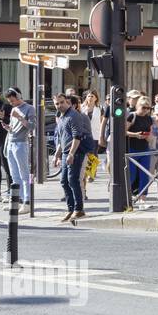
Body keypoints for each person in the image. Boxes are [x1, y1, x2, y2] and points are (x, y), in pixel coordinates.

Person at [54, 93, 96, 221]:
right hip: (66, 152)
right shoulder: (61, 117)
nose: (59, 105)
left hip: (76, 152)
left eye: (62, 102)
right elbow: (62, 138)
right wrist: (57, 154)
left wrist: (71, 153)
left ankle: (79, 209)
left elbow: (76, 136)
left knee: (73, 180)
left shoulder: (73, 115)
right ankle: (71, 208)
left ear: (67, 102)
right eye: (57, 103)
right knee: (64, 181)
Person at [3, 88, 36, 206]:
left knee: (24, 173)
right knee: (14, 174)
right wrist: (8, 127)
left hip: (21, 143)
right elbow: (13, 127)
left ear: (18, 96)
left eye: (12, 101)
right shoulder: (14, 109)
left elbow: (32, 126)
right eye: (10, 102)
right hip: (11, 142)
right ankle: (17, 199)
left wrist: (20, 117)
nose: (11, 103)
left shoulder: (29, 108)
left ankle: (27, 200)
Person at [125, 98, 154, 203]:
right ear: (138, 106)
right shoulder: (132, 116)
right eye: (143, 107)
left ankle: (143, 199)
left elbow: (150, 132)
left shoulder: (149, 118)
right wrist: (136, 135)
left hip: (145, 149)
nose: (146, 110)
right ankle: (127, 197)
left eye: (148, 108)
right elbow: (124, 131)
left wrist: (148, 137)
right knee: (131, 175)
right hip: (132, 149)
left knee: (144, 175)